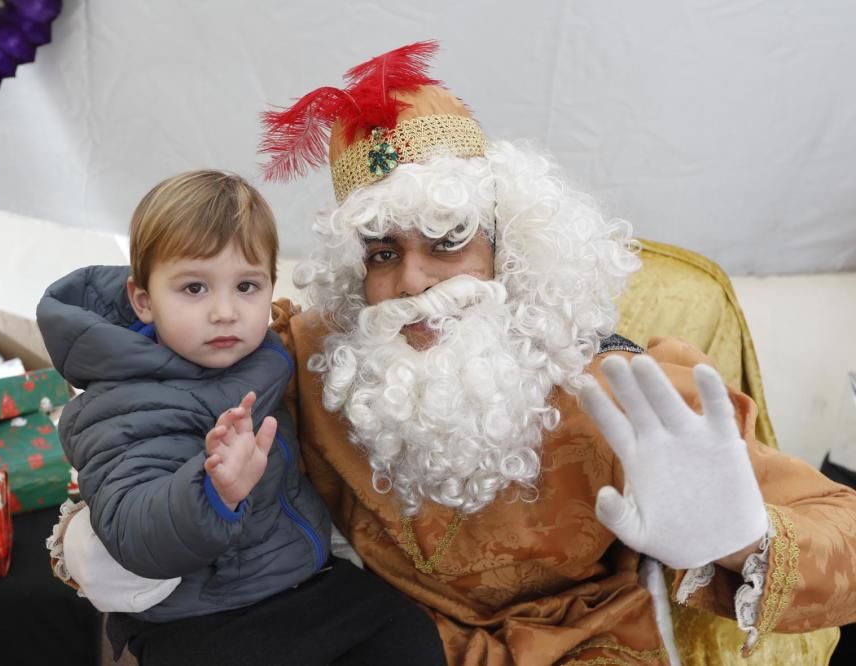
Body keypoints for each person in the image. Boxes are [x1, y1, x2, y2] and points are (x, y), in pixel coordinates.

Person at [57, 44, 856, 664]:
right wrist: (84, 535)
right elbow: (155, 403)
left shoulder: (623, 385)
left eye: (447, 241)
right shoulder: (305, 356)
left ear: (507, 246)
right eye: (380, 252)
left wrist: (744, 537)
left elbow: (843, 533)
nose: (412, 281)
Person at [36, 170, 445, 666]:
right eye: (193, 289)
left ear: (271, 286)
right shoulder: (119, 406)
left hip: (301, 581)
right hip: (201, 615)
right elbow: (133, 531)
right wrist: (213, 491)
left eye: (246, 286)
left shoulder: (265, 357)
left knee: (403, 635)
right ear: (143, 300)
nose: (225, 311)